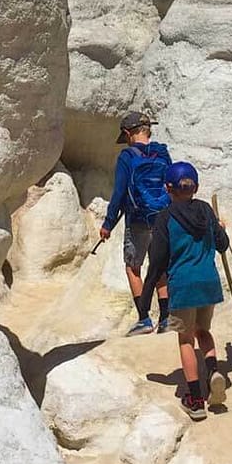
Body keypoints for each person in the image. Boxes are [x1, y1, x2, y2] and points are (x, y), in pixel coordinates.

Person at [136, 161, 230, 421]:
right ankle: (213, 373)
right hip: (209, 282)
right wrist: (220, 230)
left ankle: (195, 400)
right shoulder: (206, 211)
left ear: (168, 188)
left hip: (183, 285)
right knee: (204, 332)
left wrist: (144, 301)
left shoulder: (164, 219)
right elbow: (222, 245)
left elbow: (157, 262)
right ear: (195, 187)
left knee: (186, 339)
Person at [100, 111, 172, 335]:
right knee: (160, 268)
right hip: (162, 219)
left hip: (138, 220)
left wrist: (108, 224)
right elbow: (170, 185)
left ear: (127, 133)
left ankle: (144, 320)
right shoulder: (162, 153)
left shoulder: (127, 157)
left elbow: (119, 192)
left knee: (133, 268)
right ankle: (166, 319)